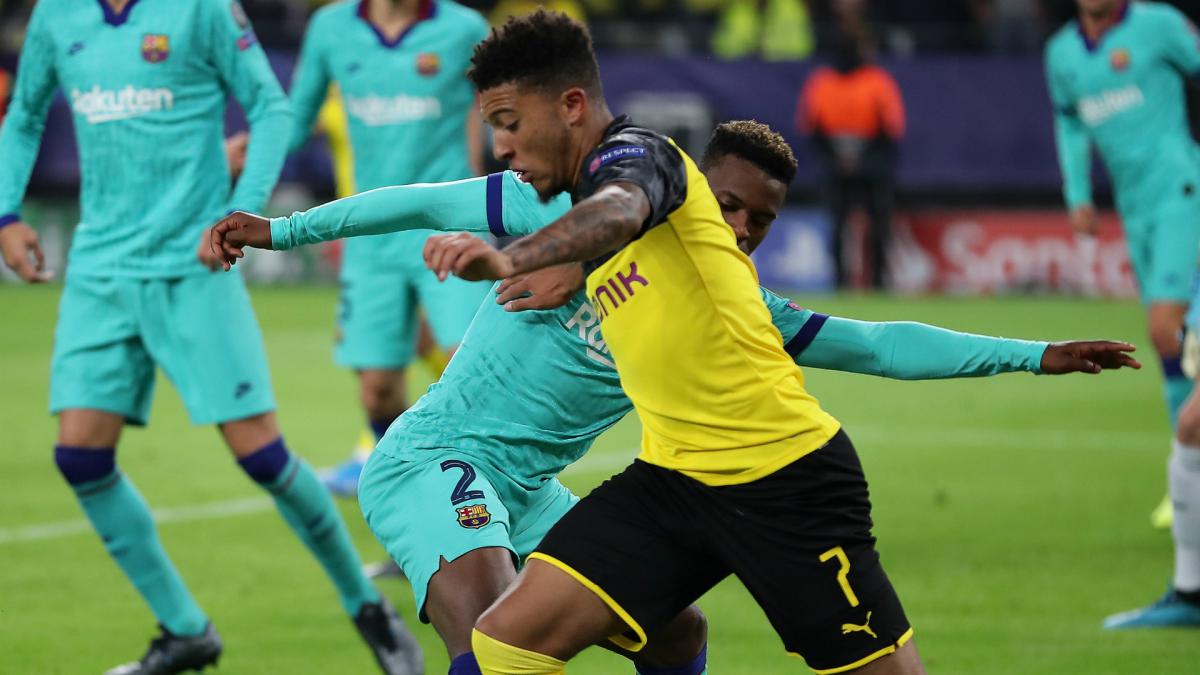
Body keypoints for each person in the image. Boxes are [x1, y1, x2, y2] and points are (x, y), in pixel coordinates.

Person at [210, 115, 1139, 675]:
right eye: (727, 204)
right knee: (499, 636)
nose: (741, 229)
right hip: (439, 457)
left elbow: (879, 343)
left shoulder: (735, 304)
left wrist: (1033, 354)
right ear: (689, 186)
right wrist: (282, 231)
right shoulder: (558, 207)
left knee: (676, 629)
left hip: (532, 484)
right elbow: (415, 201)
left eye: (761, 220)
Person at [0, 2, 419, 673]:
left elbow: (271, 106)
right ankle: (185, 630)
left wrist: (236, 209)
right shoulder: (58, 15)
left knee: (263, 457)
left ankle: (366, 604)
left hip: (194, 267)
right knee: (80, 457)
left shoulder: (202, 9)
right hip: (101, 269)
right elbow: (23, 116)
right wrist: (6, 213)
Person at [287, 0, 491, 497]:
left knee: (474, 369)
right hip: (372, 236)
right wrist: (237, 161)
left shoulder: (464, 28)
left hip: (451, 225)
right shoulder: (331, 28)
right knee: (377, 390)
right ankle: (418, 494)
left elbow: (510, 109)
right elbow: (294, 120)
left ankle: (503, 497)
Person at [1046, 0, 1200, 629]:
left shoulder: (1159, 25)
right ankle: (1187, 456)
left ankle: (1189, 453)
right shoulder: (1062, 54)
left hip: (1181, 190)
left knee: (1167, 328)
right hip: (1135, 209)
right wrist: (1078, 192)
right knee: (1166, 339)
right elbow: (1070, 125)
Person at [799, 30, 904, 289]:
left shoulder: (826, 82)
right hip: (860, 162)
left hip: (854, 162)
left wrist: (843, 158)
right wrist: (855, 158)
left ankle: (861, 281)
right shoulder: (875, 81)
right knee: (851, 224)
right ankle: (860, 282)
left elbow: (812, 128)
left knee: (861, 225)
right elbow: (892, 128)